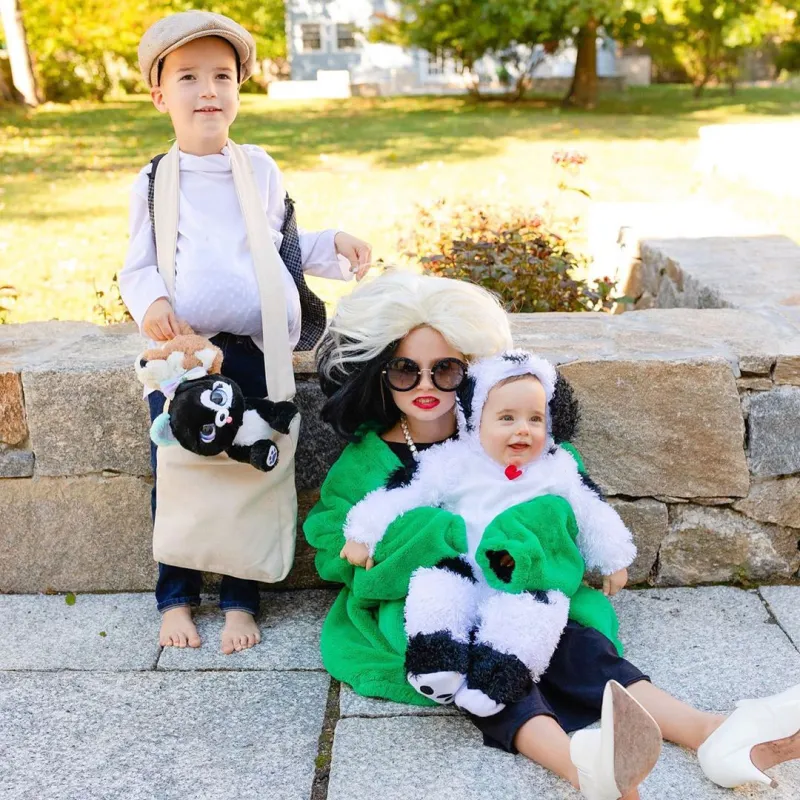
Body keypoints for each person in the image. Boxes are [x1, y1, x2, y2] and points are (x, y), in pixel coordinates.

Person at [305, 269, 800, 800]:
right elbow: (335, 542)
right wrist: (427, 538)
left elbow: (565, 506)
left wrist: (530, 543)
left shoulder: (512, 435)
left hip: (520, 586)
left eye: (444, 370)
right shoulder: (366, 462)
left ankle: (711, 731)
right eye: (406, 370)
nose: (425, 386)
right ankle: (578, 766)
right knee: (480, 672)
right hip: (430, 600)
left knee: (573, 644)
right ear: (380, 373)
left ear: (470, 370)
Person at [119, 10, 371, 655]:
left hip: (257, 353)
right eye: (188, 77)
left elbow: (282, 242)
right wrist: (151, 304)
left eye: (223, 76)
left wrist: (333, 243)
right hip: (186, 356)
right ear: (159, 95)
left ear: (238, 89)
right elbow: (139, 265)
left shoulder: (258, 169)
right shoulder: (154, 181)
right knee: (178, 467)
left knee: (251, 469)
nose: (208, 90)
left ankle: (239, 600)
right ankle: (175, 594)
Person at [341, 349, 637, 719]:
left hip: (521, 579)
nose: (522, 430)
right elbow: (403, 492)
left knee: (538, 612)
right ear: (476, 420)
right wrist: (364, 533)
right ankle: (435, 660)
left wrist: (613, 560)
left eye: (535, 418)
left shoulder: (555, 469)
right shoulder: (455, 461)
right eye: (507, 418)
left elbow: (592, 511)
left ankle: (496, 680)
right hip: (463, 568)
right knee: (433, 583)